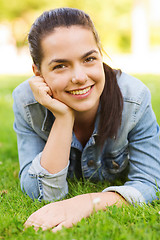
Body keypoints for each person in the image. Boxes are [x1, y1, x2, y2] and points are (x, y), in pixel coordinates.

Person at [13, 8, 160, 232]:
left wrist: (87, 202)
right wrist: (63, 117)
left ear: (100, 55)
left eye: (89, 59)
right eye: (60, 65)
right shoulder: (27, 102)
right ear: (38, 72)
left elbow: (151, 183)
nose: (80, 77)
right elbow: (40, 193)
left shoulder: (134, 99)